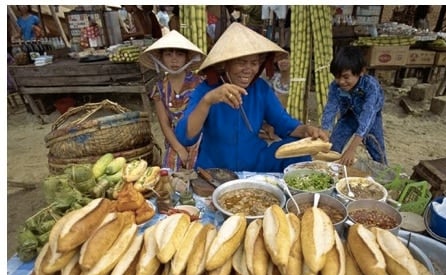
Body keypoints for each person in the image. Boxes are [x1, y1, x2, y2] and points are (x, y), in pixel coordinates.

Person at [175, 23, 327, 173]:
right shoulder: (207, 89)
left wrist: (307, 130)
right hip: (216, 168)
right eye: (241, 63)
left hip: (256, 163)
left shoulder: (260, 88)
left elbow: (284, 124)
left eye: (254, 63)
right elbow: (185, 137)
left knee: (298, 149)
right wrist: (207, 101)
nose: (248, 70)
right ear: (225, 64)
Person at [140, 31, 205, 171]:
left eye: (180, 54)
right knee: (172, 178)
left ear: (187, 58)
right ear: (161, 58)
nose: (174, 60)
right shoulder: (159, 89)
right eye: (168, 54)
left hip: (200, 140)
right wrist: (179, 149)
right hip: (174, 140)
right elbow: (164, 124)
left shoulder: (199, 83)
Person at [320, 46, 387, 166]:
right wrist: (324, 132)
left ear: (361, 71)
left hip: (371, 118)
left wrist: (351, 149)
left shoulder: (371, 86)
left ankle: (385, 175)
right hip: (349, 115)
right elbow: (330, 109)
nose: (341, 81)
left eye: (346, 77)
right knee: (333, 145)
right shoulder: (335, 87)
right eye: (337, 77)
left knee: (376, 149)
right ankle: (332, 174)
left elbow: (368, 116)